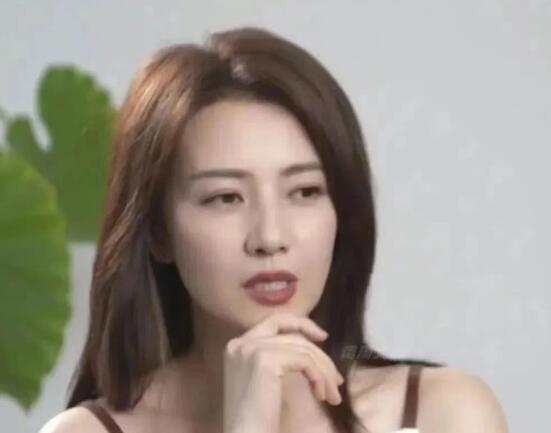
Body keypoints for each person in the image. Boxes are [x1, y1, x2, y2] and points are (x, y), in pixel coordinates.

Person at [39, 26, 508, 433]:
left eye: (304, 191)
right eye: (226, 197)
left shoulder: (444, 412)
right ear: (158, 232)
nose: (270, 237)